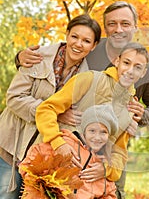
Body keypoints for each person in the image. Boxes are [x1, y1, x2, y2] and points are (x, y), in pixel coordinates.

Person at [16, 1, 149, 198]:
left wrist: (141, 115)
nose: (118, 29)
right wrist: (20, 58)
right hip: (64, 153)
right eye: (112, 24)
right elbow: (63, 51)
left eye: (125, 24)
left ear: (136, 27)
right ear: (117, 61)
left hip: (103, 159)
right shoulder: (91, 49)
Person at [0, 14, 101, 198]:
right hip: (11, 146)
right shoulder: (37, 57)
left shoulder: (89, 79)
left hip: (43, 158)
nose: (78, 44)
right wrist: (53, 113)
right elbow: (14, 97)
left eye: (86, 41)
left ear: (93, 46)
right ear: (67, 34)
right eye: (75, 36)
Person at [35, 42, 149, 186]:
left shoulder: (132, 108)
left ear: (143, 72)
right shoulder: (88, 79)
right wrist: (58, 143)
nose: (130, 70)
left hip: (86, 185)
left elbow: (119, 153)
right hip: (52, 170)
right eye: (126, 63)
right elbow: (47, 109)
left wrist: (106, 169)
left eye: (138, 67)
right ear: (117, 61)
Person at [20, 104, 119, 198]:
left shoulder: (102, 164)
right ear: (84, 130)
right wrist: (39, 189)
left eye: (103, 132)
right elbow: (28, 165)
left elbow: (108, 192)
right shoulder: (64, 144)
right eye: (92, 131)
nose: (97, 137)